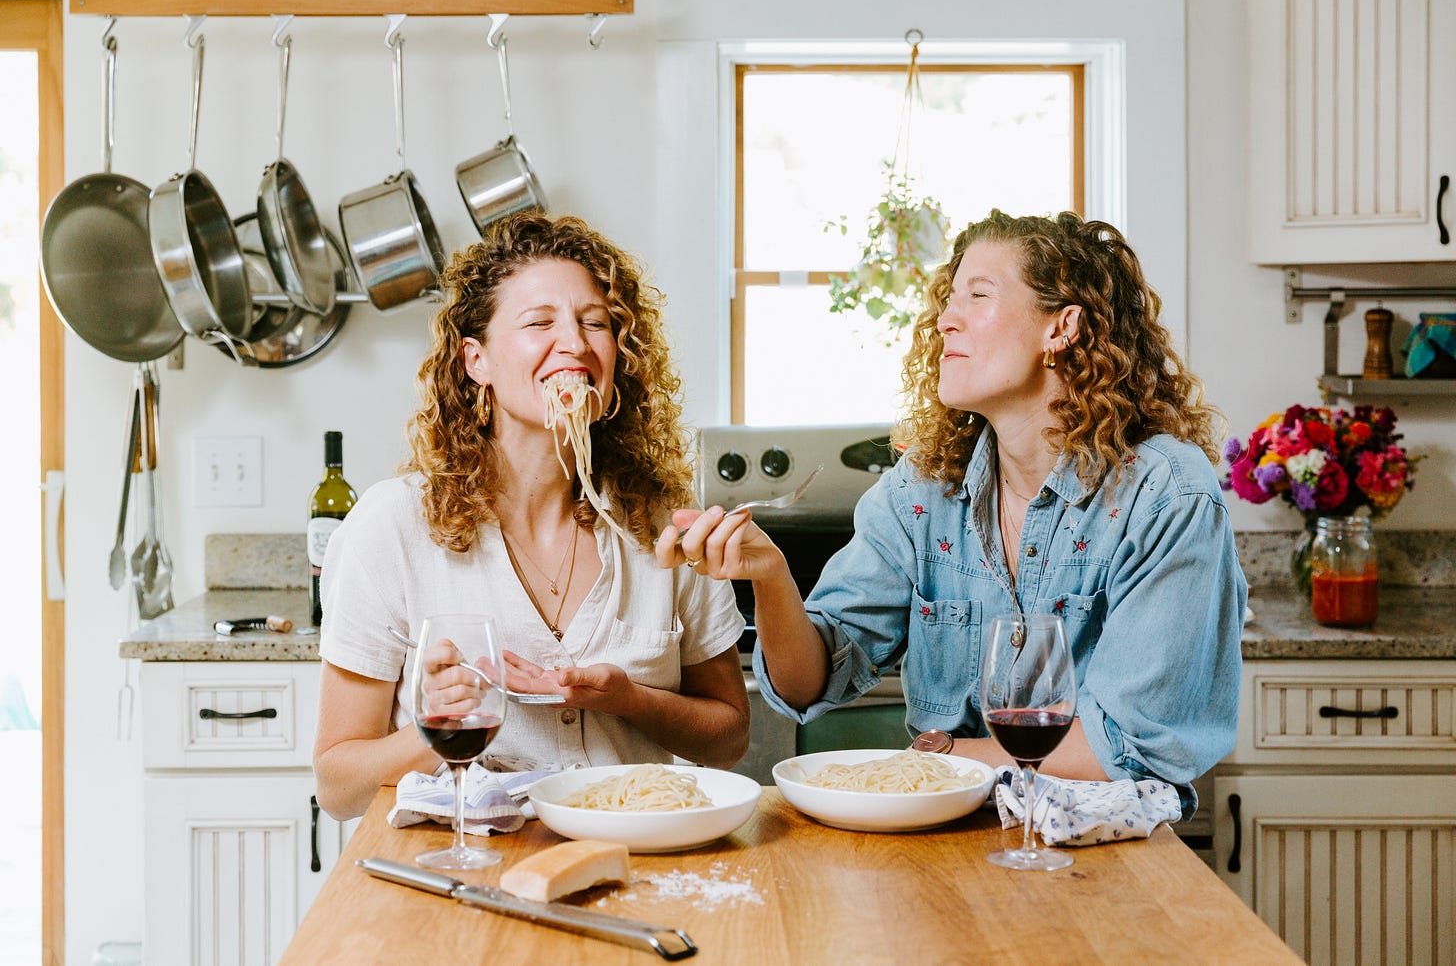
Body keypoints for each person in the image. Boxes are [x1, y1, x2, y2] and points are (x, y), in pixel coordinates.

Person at [658, 209, 1245, 817]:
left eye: (978, 295)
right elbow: (812, 682)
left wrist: (942, 758)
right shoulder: (921, 490)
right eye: (949, 297)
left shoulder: (1165, 496)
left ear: (1062, 327)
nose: (945, 319)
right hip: (948, 842)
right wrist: (773, 578)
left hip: (1109, 854)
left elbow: (1133, 745)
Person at [315, 213, 749, 820]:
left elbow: (729, 738)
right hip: (459, 877)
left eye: (595, 323)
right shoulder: (390, 529)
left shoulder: (662, 526)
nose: (573, 342)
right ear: (476, 361)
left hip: (633, 864)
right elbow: (337, 790)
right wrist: (434, 731)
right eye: (539, 322)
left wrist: (630, 701)